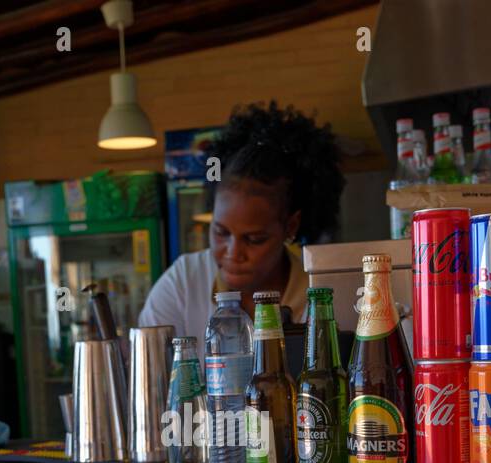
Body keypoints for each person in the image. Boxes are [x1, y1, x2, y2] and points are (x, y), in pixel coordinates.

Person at [138, 102, 345, 339]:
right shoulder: (183, 284)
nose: (233, 252)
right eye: (220, 232)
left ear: (290, 226)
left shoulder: (318, 302)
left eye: (254, 239)